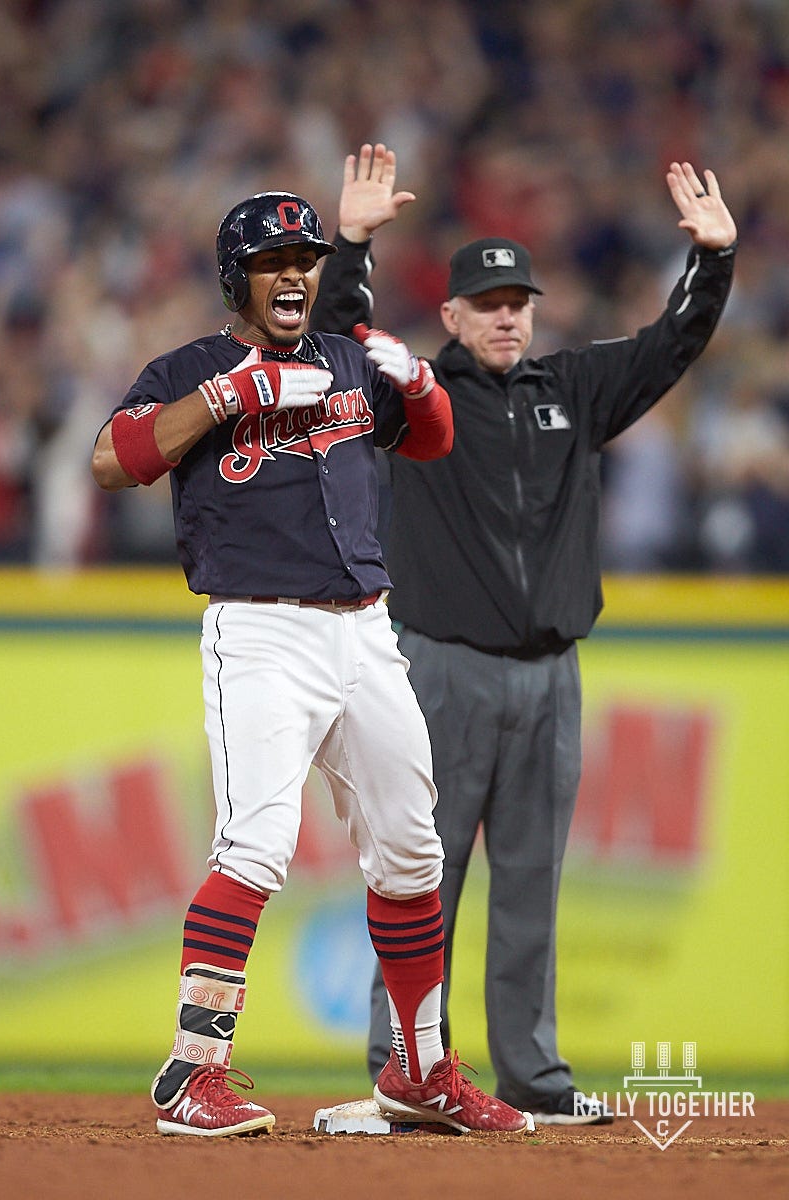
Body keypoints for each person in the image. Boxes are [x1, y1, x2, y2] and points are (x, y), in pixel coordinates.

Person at [91, 187, 535, 1137]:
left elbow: (430, 440)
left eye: (305, 257)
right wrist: (218, 401)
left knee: (414, 848)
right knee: (254, 846)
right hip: (260, 631)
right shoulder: (195, 366)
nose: (294, 272)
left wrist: (419, 387)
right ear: (236, 278)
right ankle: (190, 1074)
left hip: (367, 631)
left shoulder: (342, 356)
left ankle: (420, 1071)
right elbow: (111, 459)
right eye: (272, 260)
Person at [311, 144, 738, 1125]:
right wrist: (355, 242)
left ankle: (531, 1078)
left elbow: (667, 347)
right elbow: (336, 348)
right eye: (487, 302)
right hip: (441, 673)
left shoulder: (571, 392)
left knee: (530, 884)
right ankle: (401, 1070)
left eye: (519, 301)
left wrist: (710, 262)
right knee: (422, 874)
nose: (506, 315)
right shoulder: (415, 396)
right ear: (452, 315)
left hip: (549, 676)